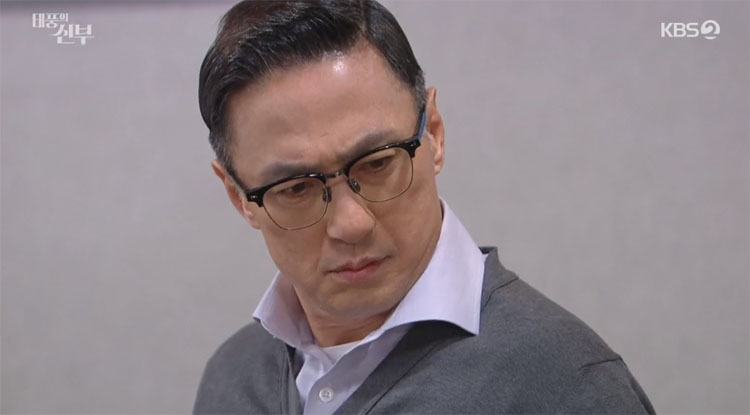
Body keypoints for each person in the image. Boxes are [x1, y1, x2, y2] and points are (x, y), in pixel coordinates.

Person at [194, 1, 655, 413]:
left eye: (378, 163)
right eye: (296, 188)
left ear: (433, 133)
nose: (351, 224)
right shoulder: (232, 377)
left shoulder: (567, 385)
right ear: (239, 197)